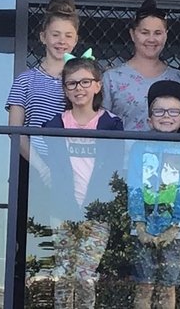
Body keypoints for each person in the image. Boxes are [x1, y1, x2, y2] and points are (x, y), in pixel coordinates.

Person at [41, 55, 124, 309]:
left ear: (98, 85)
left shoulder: (112, 124)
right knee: (64, 273)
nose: (79, 89)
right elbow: (53, 168)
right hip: (62, 209)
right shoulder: (55, 125)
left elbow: (113, 170)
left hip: (96, 211)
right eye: (72, 83)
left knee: (86, 274)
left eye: (85, 82)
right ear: (64, 89)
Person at [127, 80, 180, 309]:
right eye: (158, 111)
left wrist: (176, 225)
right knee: (144, 284)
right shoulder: (140, 147)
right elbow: (134, 185)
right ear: (149, 118)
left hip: (174, 231)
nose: (166, 116)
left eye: (173, 111)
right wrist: (138, 223)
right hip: (143, 227)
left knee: (169, 285)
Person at [6, 0, 80, 156]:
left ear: (75, 40)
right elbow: (15, 131)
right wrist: (40, 167)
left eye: (68, 36)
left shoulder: (82, 81)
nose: (62, 41)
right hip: (32, 168)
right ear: (43, 37)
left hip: (75, 166)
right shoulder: (25, 80)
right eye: (55, 35)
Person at [103, 0, 180, 131]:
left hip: (166, 151)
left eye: (158, 33)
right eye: (145, 33)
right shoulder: (112, 78)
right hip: (122, 151)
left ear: (165, 35)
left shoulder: (178, 77)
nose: (151, 39)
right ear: (132, 34)